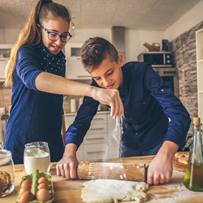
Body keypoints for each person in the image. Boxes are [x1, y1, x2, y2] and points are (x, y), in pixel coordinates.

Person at [56, 37, 191, 185]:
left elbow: (180, 115)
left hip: (159, 143)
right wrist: (69, 153)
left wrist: (165, 156)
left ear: (120, 60)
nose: (105, 83)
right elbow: (80, 122)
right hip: (129, 146)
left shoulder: (143, 72)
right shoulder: (96, 87)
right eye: (98, 78)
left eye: (109, 73)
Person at [4, 1, 123, 164]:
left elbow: (56, 99)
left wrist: (64, 136)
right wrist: (93, 91)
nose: (59, 41)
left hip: (52, 139)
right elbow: (34, 79)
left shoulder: (59, 58)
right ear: (40, 28)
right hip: (24, 137)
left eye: (64, 35)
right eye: (52, 34)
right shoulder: (27, 51)